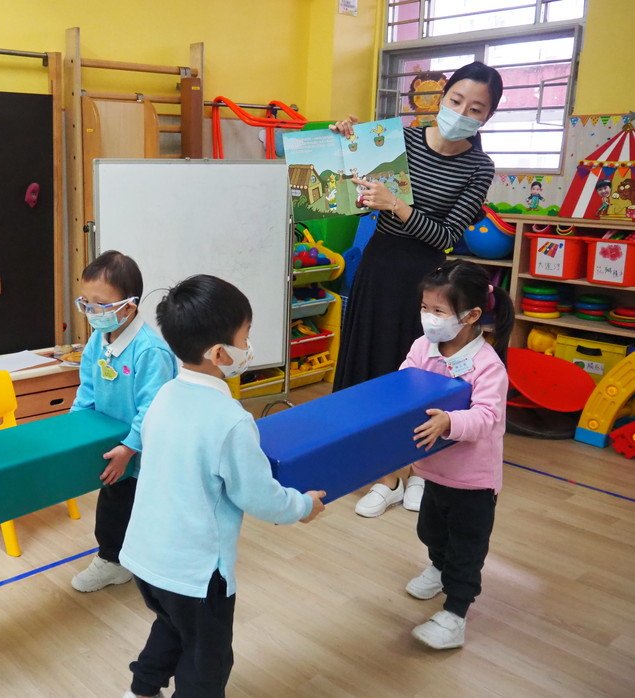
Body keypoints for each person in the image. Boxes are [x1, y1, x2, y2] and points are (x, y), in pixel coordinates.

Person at [119, 274, 326, 698]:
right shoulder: (230, 420)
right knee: (207, 658)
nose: (249, 347)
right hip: (196, 573)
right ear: (218, 353)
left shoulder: (163, 396)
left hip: (145, 557)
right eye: (245, 337)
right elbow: (258, 496)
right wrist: (302, 506)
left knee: (171, 626)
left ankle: (141, 690)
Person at [330, 61, 503, 518]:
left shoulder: (479, 166)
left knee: (417, 374)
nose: (462, 112)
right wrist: (345, 144)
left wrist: (398, 206)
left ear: (487, 117)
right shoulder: (400, 141)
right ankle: (384, 475)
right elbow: (352, 196)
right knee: (372, 366)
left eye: (475, 108)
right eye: (456, 100)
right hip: (380, 267)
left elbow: (446, 236)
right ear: (441, 98)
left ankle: (419, 470)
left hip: (429, 280)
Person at [402, 260, 514, 650]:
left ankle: (455, 614)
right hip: (433, 470)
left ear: (471, 316)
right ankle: (437, 567)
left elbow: (487, 417)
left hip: (472, 480)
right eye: (425, 307)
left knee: (466, 547)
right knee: (431, 531)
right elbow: (404, 384)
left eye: (439, 310)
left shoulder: (488, 366)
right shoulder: (422, 348)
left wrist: (450, 421)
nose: (428, 317)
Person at [69, 250, 177, 593]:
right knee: (115, 501)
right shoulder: (98, 340)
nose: (91, 313)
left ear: (129, 307)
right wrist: (74, 427)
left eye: (100, 305)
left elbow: (153, 409)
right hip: (112, 443)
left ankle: (117, 562)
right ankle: (114, 559)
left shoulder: (150, 351)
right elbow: (87, 388)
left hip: (144, 450)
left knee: (140, 504)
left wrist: (129, 448)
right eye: (86, 303)